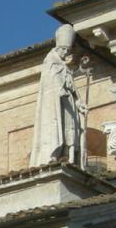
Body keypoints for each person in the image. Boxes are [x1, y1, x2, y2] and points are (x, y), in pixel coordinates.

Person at [29, 24, 87, 168]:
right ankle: (55, 155)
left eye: (68, 50)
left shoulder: (64, 66)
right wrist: (59, 91)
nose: (66, 52)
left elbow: (71, 87)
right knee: (59, 129)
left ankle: (69, 157)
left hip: (68, 104)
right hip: (56, 104)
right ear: (57, 47)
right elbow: (52, 86)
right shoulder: (51, 62)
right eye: (64, 49)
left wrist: (79, 102)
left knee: (71, 131)